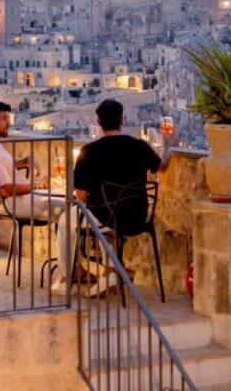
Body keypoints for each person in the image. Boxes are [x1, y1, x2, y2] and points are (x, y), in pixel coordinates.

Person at [53, 99, 175, 296]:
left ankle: (67, 277)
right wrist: (169, 145)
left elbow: (81, 196)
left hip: (107, 218)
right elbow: (162, 168)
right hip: (137, 217)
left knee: (66, 221)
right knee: (105, 217)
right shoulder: (139, 146)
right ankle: (110, 271)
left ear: (98, 122)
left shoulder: (89, 152)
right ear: (122, 119)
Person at [0, 100, 66, 223]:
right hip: (11, 202)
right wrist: (37, 186)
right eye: (4, 119)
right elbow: (5, 189)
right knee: (66, 206)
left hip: (19, 197)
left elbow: (4, 164)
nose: (9, 123)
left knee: (66, 197)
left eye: (8, 118)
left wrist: (25, 161)